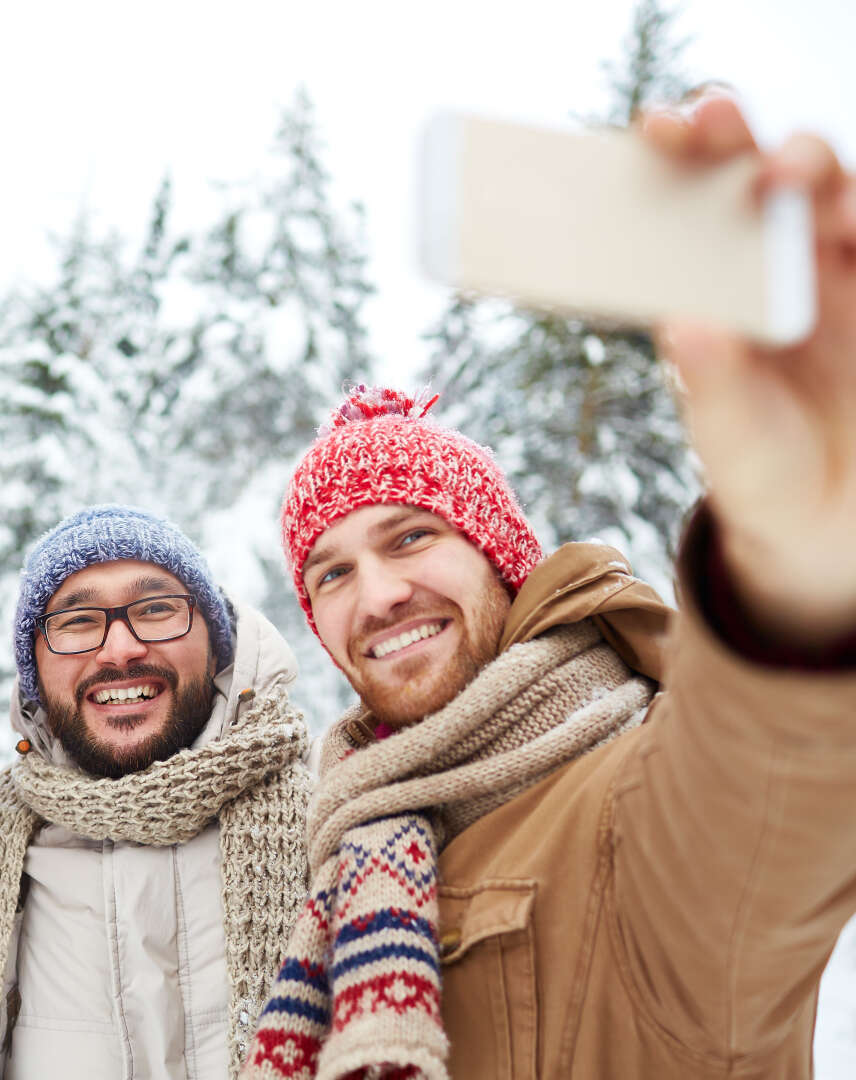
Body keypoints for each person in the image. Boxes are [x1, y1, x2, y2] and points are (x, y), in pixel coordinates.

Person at [244, 97, 856, 1080]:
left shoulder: (631, 800)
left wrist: (805, 571)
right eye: (334, 572)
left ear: (503, 556)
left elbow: (773, 775)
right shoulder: (355, 834)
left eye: (412, 537)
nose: (379, 593)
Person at [0, 505, 313, 1080]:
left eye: (156, 610)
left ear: (217, 645)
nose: (120, 648)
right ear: (35, 677)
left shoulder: (338, 810)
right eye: (75, 622)